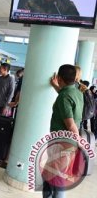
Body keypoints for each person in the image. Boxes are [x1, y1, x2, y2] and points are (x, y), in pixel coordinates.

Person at [43, 64, 83, 198]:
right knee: (52, 177)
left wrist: (79, 146)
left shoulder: (64, 96)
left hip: (62, 143)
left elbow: (71, 125)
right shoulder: (77, 92)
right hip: (67, 143)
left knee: (56, 179)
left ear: (60, 77)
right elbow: (64, 95)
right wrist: (55, 86)